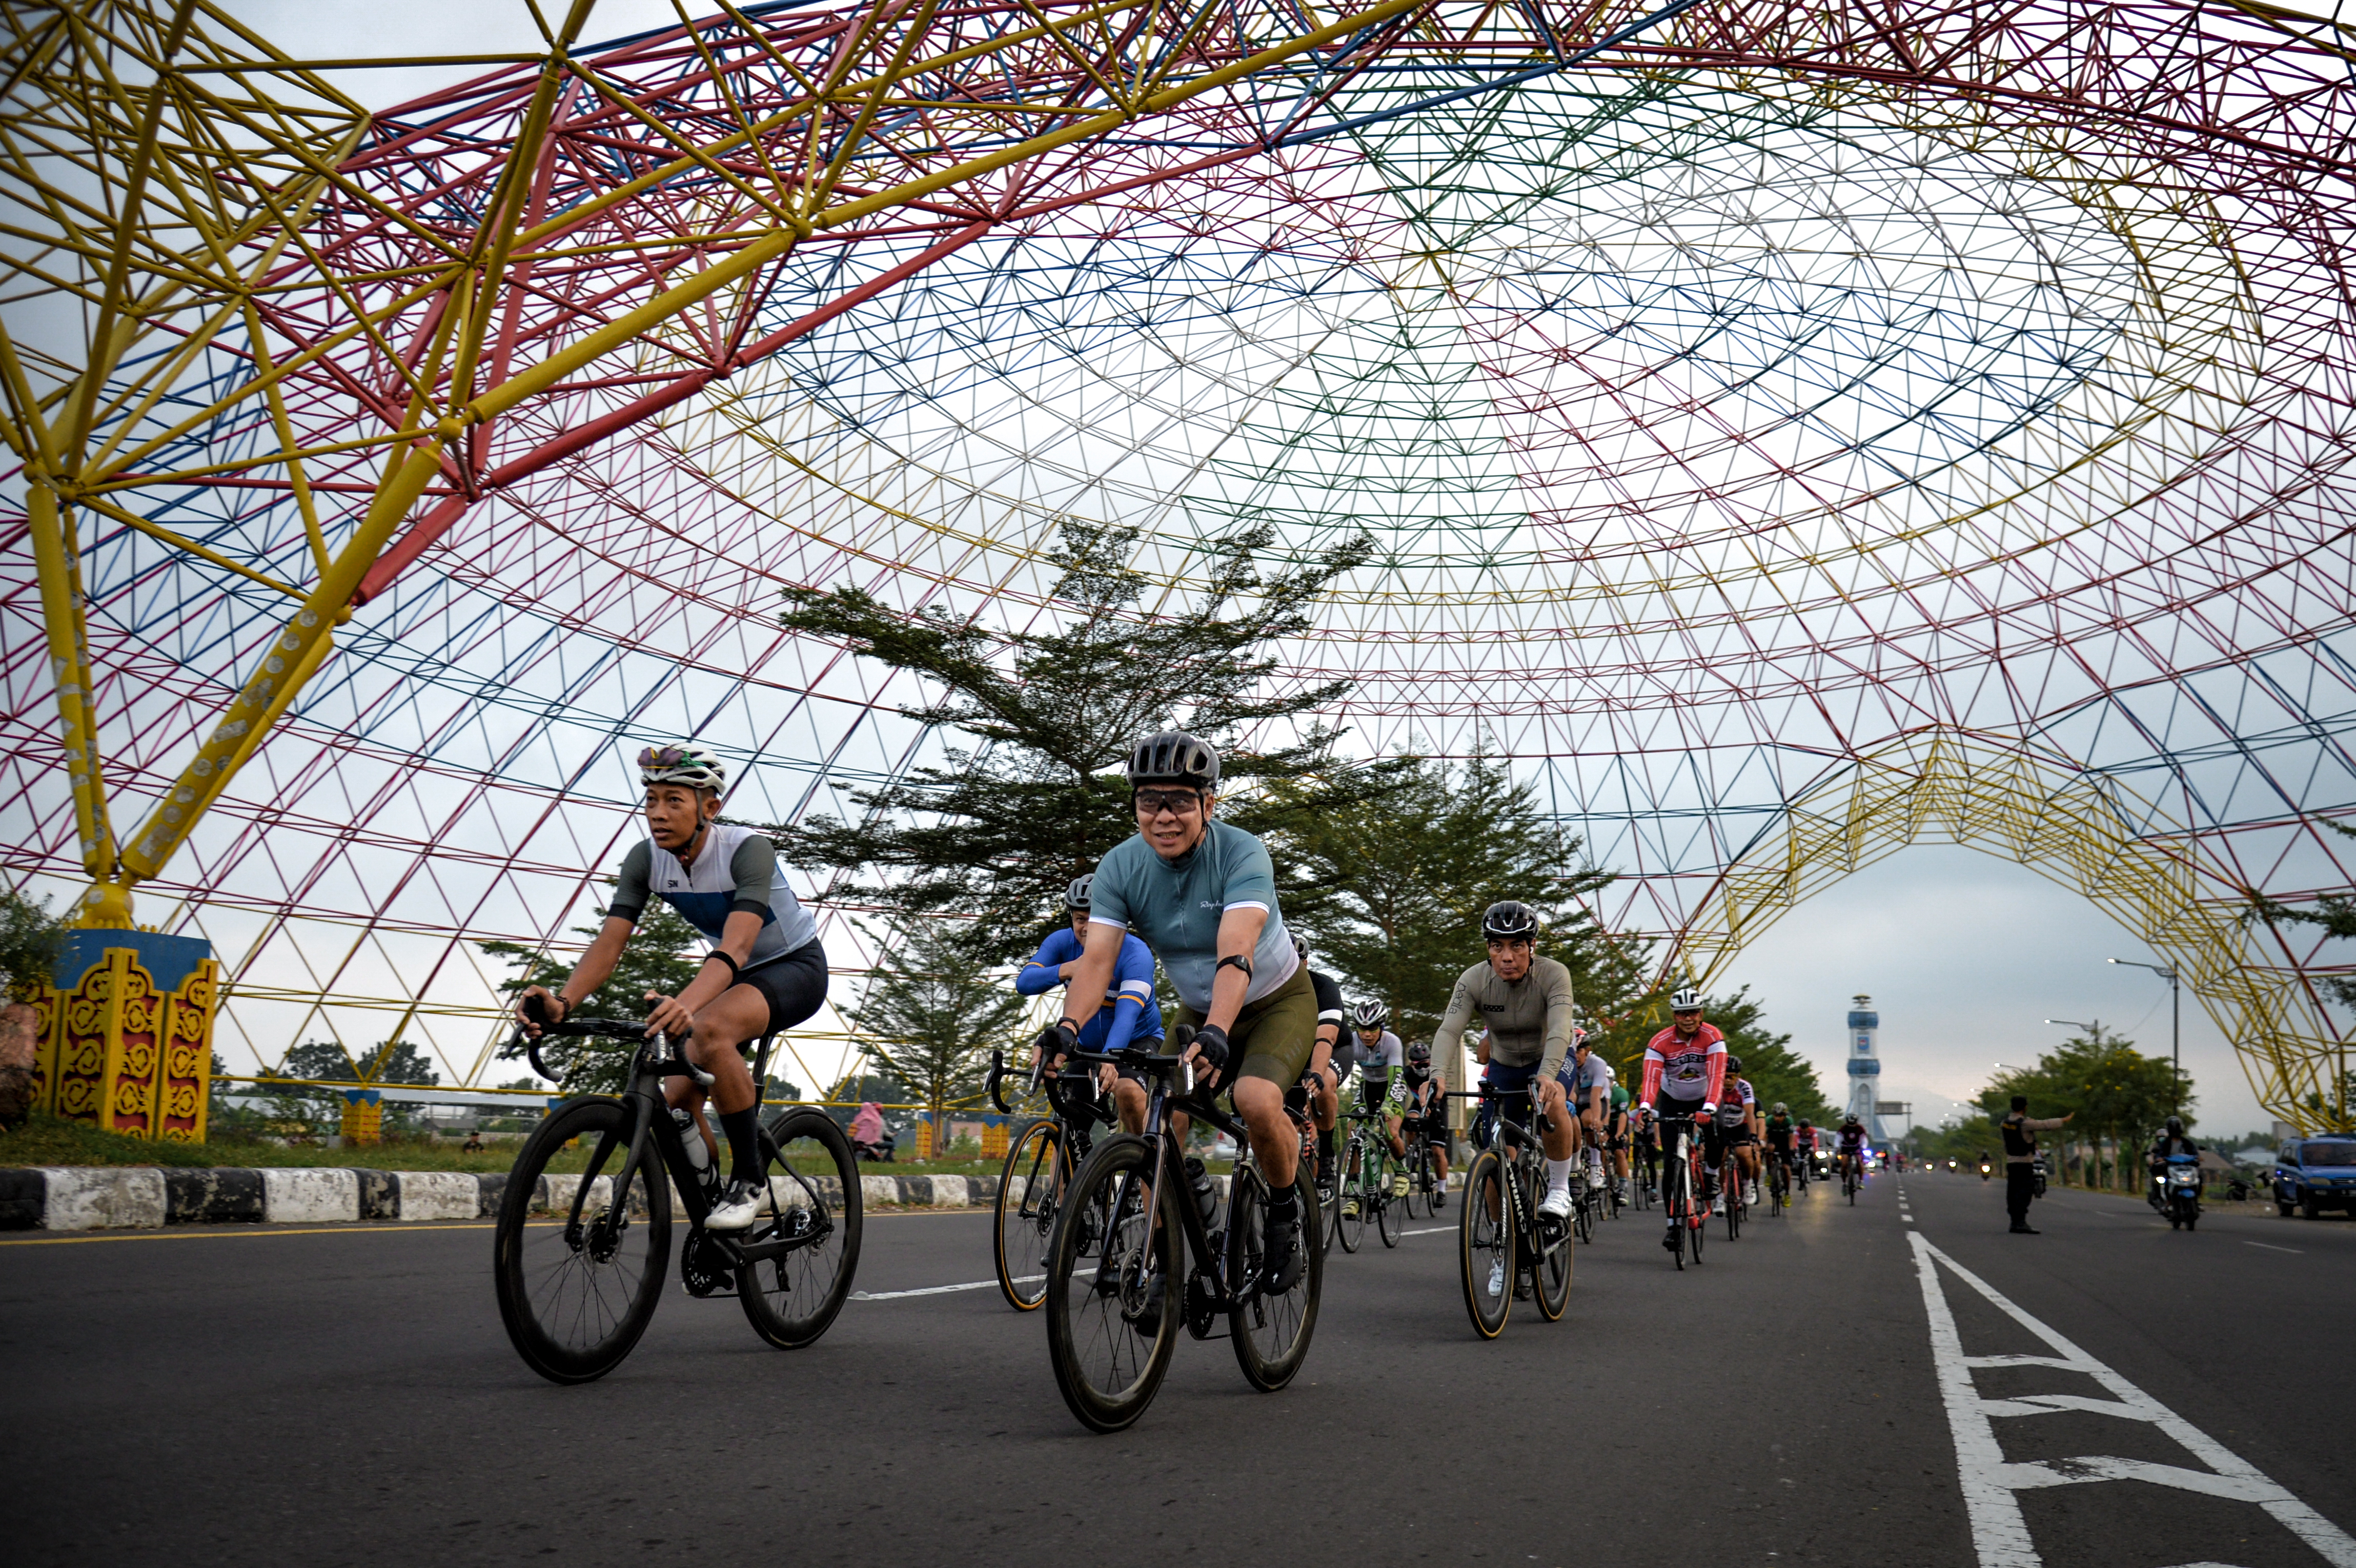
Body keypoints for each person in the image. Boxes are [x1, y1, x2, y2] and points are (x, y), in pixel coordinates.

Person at [1041, 731, 1319, 1294]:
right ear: (1135, 805)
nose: (1164, 815)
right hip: (1199, 1004)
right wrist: (1067, 1028)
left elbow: (1236, 949)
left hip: (1275, 1001)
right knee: (1155, 1118)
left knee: (1255, 1099)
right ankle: (1164, 1256)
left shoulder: (1243, 852)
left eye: (1181, 801)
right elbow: (1097, 962)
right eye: (1150, 800)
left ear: (1209, 805)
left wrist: (1217, 1030)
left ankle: (1286, 1218)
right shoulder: (1120, 866)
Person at [517, 744, 828, 1231]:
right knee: (678, 1101)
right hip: (731, 974)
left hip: (793, 967)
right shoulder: (646, 859)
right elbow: (610, 943)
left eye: (675, 800)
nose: (658, 813)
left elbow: (739, 946)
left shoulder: (748, 849)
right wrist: (563, 1000)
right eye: (651, 800)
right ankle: (715, 1217)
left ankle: (750, 1180)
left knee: (706, 1028)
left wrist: (686, 1006)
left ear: (710, 807)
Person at [1433, 901, 1580, 1239]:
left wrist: (1547, 1075)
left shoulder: (1554, 973)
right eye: (1497, 946)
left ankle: (1560, 1189)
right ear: (1489, 948)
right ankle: (1503, 1243)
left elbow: (1560, 1029)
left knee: (1554, 1100)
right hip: (1505, 1064)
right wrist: (1437, 1074)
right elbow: (1449, 1029)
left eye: (1517, 945)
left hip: (1551, 1057)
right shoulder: (1473, 979)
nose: (1507, 956)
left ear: (1532, 946)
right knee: (1496, 1162)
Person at [1015, 874, 1164, 1127]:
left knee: (1127, 1091)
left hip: (1137, 1039)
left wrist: (1109, 1057)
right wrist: (1067, 969)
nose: (1086, 928)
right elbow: (1025, 983)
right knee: (1067, 1126)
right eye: (1079, 919)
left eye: (1095, 920)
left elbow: (1126, 1015)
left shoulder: (1135, 954)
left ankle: (1141, 1158)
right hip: (1087, 1042)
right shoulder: (1062, 942)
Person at [1638, 985, 1726, 1248]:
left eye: (1693, 1013)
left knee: (1717, 1132)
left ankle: (1710, 1174)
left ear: (1701, 1014)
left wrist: (1710, 1108)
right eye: (1682, 1014)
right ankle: (1673, 1227)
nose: (1688, 1018)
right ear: (1674, 1016)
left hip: (1705, 1097)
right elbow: (1651, 1078)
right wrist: (1645, 1107)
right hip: (1672, 1098)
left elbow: (1717, 1076)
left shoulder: (1713, 1036)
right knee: (1670, 1162)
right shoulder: (1659, 1042)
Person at [1999, 1094, 2074, 1232]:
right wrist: (2064, 1120)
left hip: (2011, 1162)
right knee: (2025, 1192)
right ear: (2025, 1107)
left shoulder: (2005, 1123)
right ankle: (2020, 1223)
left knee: (2013, 1192)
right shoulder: (2026, 1124)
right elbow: (2044, 1125)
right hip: (2025, 1163)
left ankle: (2015, 1222)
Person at [1555, 1027, 1614, 1193]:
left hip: (1595, 1102)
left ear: (1588, 1051)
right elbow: (1571, 1093)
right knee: (1567, 1117)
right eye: (1573, 1050)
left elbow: (1596, 1095)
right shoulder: (1568, 1063)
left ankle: (1596, 1163)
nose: (1576, 1055)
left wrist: (1597, 1119)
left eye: (1579, 1050)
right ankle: (1575, 1163)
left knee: (1588, 1120)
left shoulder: (1598, 1064)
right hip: (1578, 1101)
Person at [1398, 1039, 1449, 1209]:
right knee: (1409, 1121)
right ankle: (1413, 1151)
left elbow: (1438, 1095)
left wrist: (1429, 1108)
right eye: (1418, 1066)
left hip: (1438, 1105)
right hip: (1419, 1103)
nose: (1422, 1069)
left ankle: (1441, 1190)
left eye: (1425, 1064)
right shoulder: (1406, 1073)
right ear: (1411, 1065)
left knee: (1437, 1150)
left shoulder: (1436, 1072)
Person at [1712, 1056, 1762, 1208]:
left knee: (1744, 1153)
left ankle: (1748, 1184)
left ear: (1738, 1077)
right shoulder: (1715, 1087)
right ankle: (1720, 1196)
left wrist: (1753, 1136)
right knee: (1720, 1157)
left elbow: (1750, 1112)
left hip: (1741, 1126)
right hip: (1722, 1127)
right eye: (1724, 1076)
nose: (1727, 1080)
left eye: (1731, 1077)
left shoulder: (1745, 1087)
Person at [2146, 1113, 2198, 1208]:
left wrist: (2197, 1157)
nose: (2176, 1130)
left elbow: (2194, 1151)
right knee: (2166, 1181)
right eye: (2173, 1128)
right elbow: (2159, 1153)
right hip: (2171, 1167)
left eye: (2177, 1127)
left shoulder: (2186, 1142)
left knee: (2199, 1178)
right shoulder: (2165, 1144)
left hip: (2185, 1167)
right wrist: (2159, 1159)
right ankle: (2169, 1201)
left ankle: (2196, 1200)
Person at [1763, 1101, 1796, 1190]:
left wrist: (1791, 1149)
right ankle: (1769, 1173)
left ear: (1785, 1115)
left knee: (1786, 1168)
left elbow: (1791, 1137)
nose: (1777, 1118)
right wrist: (1764, 1146)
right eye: (1776, 1115)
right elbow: (1765, 1136)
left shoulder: (1789, 1121)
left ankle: (1787, 1193)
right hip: (1773, 1139)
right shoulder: (1769, 1120)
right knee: (1770, 1148)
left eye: (1780, 1116)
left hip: (1784, 1141)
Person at [1838, 1114, 1868, 1187]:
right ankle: (1844, 1183)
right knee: (1844, 1164)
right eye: (1850, 1124)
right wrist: (1837, 1147)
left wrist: (1863, 1147)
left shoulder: (1860, 1128)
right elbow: (1838, 1138)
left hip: (1856, 1147)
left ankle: (1861, 1181)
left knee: (1859, 1161)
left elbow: (1864, 1139)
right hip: (1846, 1147)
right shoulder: (1843, 1128)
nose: (1851, 1126)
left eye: (1853, 1124)